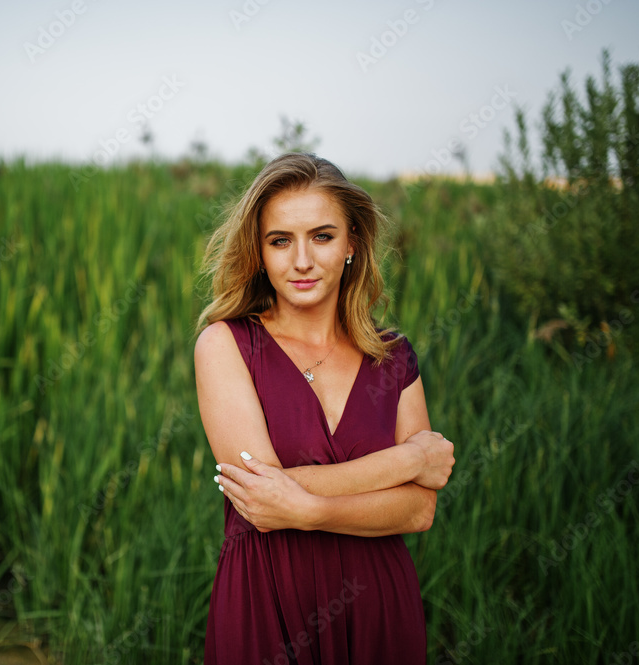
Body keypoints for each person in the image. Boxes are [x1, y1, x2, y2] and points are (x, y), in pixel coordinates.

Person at [194, 153, 456, 664]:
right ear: (260, 252)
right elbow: (258, 495)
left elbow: (420, 509)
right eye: (279, 241)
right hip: (266, 600)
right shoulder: (226, 344)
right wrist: (408, 462)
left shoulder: (393, 355)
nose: (302, 261)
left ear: (352, 243)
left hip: (379, 603)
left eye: (322, 236)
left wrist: (311, 509)